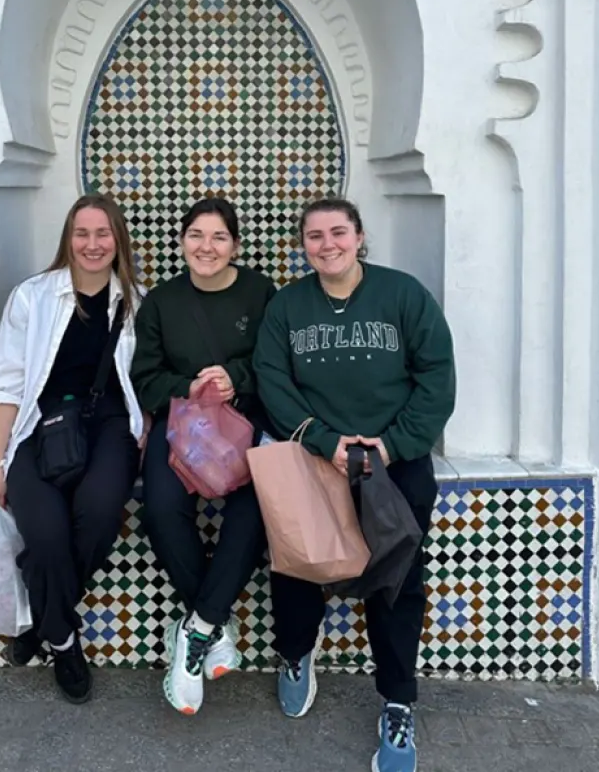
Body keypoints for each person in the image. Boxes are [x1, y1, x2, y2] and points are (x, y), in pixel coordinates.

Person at [252, 196, 456, 772]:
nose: (327, 245)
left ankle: (396, 701)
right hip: (316, 457)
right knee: (296, 565)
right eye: (314, 237)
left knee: (397, 580)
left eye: (338, 232)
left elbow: (436, 376)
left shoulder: (403, 293)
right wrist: (323, 440)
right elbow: (272, 379)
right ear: (303, 245)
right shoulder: (288, 306)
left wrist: (391, 446)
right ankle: (296, 654)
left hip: (394, 460)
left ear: (360, 236)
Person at [0, 193, 149, 704]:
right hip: (41, 427)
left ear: (118, 238)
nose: (93, 245)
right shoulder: (32, 297)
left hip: (112, 429)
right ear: (67, 238)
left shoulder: (137, 301)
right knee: (47, 534)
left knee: (98, 514)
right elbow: (7, 383)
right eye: (83, 234)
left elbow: (151, 376)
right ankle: (61, 635)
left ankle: (44, 624)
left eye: (103, 234)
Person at [129, 197, 278, 716]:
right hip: (183, 429)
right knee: (161, 507)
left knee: (255, 507)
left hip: (246, 424)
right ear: (182, 241)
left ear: (234, 244)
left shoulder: (261, 293)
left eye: (218, 237)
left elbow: (278, 363)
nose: (206, 247)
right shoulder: (162, 303)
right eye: (196, 235)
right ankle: (211, 625)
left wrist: (236, 378)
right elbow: (144, 377)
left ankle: (193, 630)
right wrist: (187, 385)